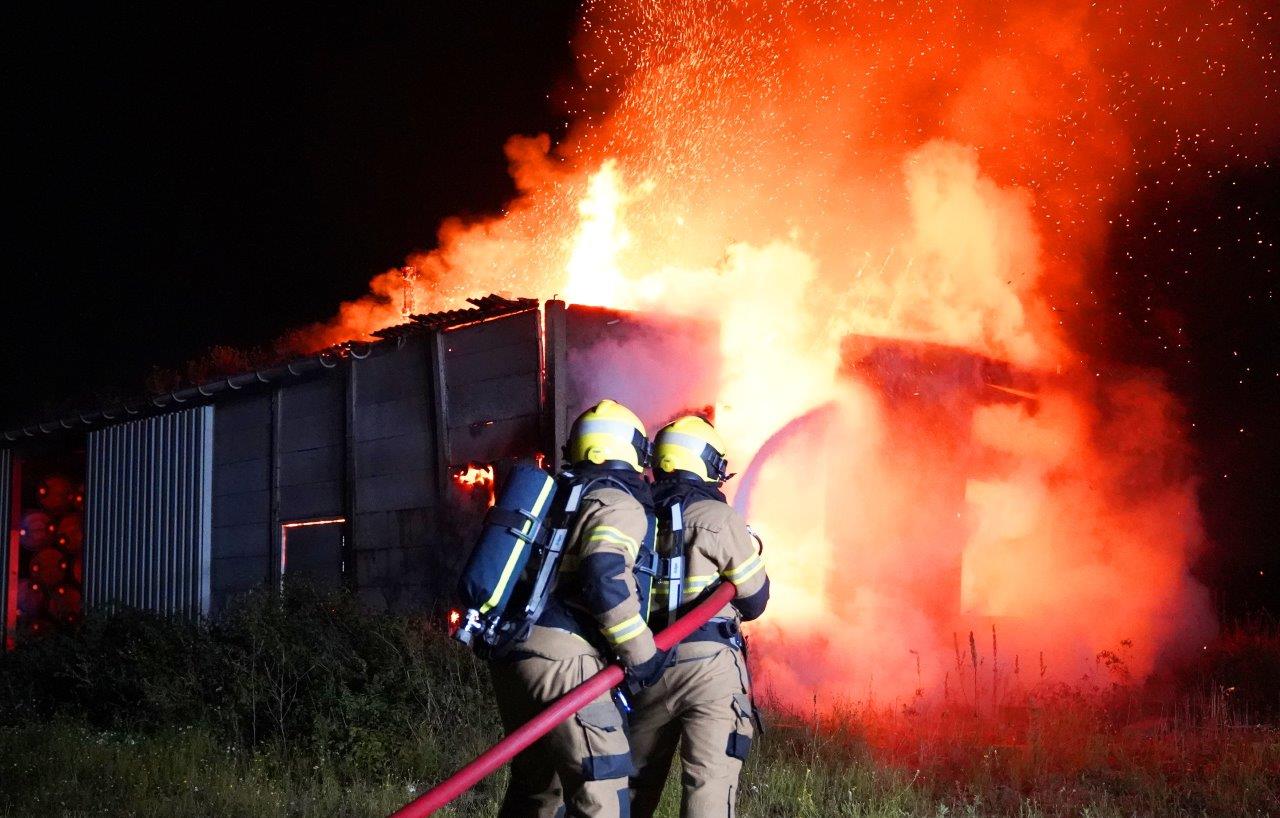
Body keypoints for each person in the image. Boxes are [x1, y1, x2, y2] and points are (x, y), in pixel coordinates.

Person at [492, 399, 674, 818]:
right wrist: (642, 654)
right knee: (603, 786)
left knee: (538, 789)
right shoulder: (618, 502)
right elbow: (604, 577)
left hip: (514, 656)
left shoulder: (558, 498)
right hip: (565, 663)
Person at [627, 415, 770, 818]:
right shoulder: (718, 519)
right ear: (707, 464)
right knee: (708, 784)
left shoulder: (633, 514)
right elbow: (756, 601)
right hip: (711, 668)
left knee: (627, 786)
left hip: (646, 664)